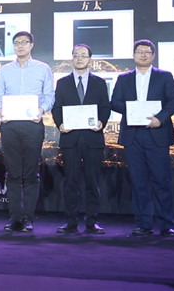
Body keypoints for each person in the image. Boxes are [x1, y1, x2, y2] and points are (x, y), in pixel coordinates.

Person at [110, 39, 174, 237]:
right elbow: (115, 102)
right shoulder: (124, 78)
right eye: (139, 52)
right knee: (138, 181)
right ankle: (143, 224)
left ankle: (166, 224)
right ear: (134, 55)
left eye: (147, 52)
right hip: (133, 135)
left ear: (153, 56)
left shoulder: (164, 76)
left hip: (157, 133)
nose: (143, 55)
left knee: (161, 181)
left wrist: (160, 118)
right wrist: (133, 110)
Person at [0, 31, 55, 232]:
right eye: (16, 43)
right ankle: (14, 218)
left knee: (30, 173)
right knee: (12, 173)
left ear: (31, 45)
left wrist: (41, 110)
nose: (20, 46)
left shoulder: (43, 69)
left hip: (32, 125)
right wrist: (1, 111)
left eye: (24, 42)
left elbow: (49, 96)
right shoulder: (5, 70)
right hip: (10, 125)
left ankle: (28, 218)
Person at [51, 44, 111, 234]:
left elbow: (105, 107)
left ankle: (92, 221)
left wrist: (101, 122)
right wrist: (60, 124)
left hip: (93, 138)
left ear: (89, 60)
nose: (79, 58)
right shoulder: (62, 83)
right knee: (71, 181)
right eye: (76, 55)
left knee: (93, 181)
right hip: (70, 138)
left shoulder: (99, 83)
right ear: (72, 58)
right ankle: (71, 221)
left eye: (83, 55)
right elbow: (57, 108)